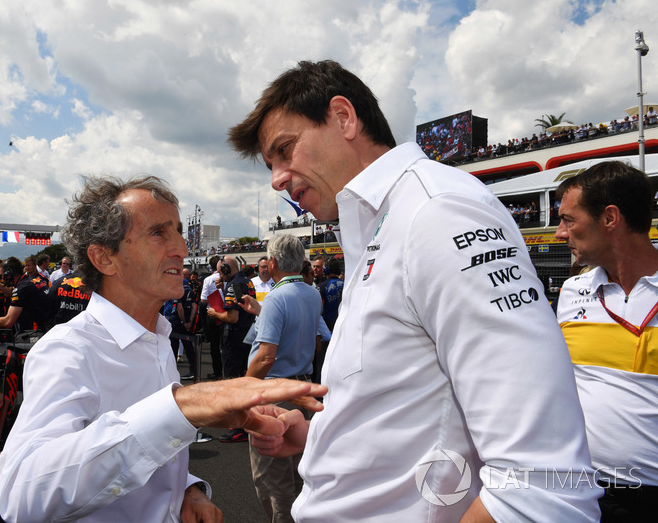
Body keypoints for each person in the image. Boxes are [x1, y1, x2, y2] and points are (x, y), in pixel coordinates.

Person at [227, 59, 600, 521]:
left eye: (285, 150)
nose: (276, 178)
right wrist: (312, 433)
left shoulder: (436, 211)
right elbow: (405, 398)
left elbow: (541, 484)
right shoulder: (379, 223)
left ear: (343, 117)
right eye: (270, 165)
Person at [0, 175, 326, 522]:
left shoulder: (157, 340)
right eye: (158, 233)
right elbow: (22, 496)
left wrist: (187, 490)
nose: (182, 248)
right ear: (104, 258)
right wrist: (182, 406)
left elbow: (153, 452)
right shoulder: (68, 350)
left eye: (179, 232)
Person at [555, 160, 658, 521]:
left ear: (610, 218)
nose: (559, 233)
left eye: (568, 219)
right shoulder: (572, 291)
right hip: (580, 488)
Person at [241, 234, 321, 523]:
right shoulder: (311, 293)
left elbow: (265, 357)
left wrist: (240, 391)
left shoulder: (276, 296)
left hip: (275, 392)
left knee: (272, 480)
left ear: (272, 262)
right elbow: (313, 334)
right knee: (300, 473)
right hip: (303, 389)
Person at [0, 257, 50, 333]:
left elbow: (7, 322)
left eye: (3, 275)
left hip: (37, 332)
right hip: (48, 327)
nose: (2, 279)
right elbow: (12, 292)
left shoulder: (23, 288)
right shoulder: (32, 280)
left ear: (8, 275)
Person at [200, 255, 223, 380]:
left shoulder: (208, 280)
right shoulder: (226, 278)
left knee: (214, 345)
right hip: (228, 312)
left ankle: (217, 372)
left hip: (212, 315)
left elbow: (203, 300)